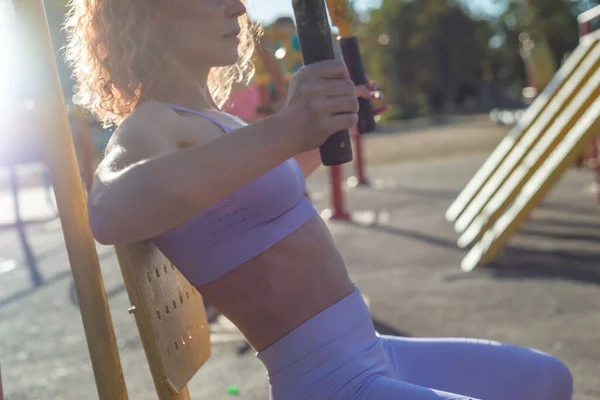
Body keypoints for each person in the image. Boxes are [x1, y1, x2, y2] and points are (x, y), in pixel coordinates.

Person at [65, 1, 573, 399]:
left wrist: (325, 124)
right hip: (328, 382)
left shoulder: (221, 124)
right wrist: (286, 130)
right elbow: (110, 212)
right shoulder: (153, 122)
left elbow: (253, 199)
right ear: (148, 8)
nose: (239, 9)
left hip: (369, 349)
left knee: (546, 381)